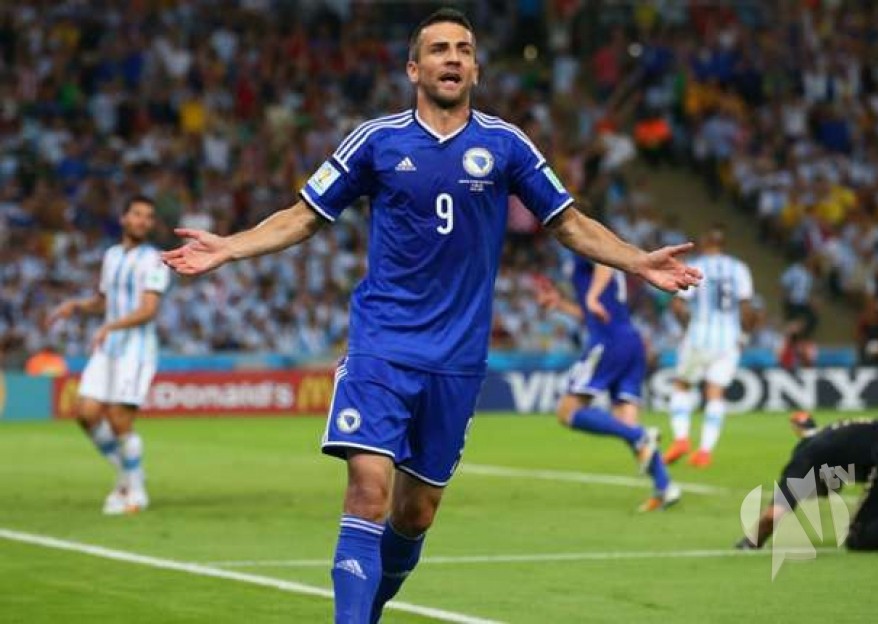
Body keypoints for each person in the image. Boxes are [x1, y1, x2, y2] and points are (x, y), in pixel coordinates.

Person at [161, 9, 701, 623]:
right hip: (383, 345)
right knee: (368, 489)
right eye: (440, 49)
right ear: (414, 69)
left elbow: (569, 223)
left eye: (463, 49)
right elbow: (305, 214)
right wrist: (230, 247)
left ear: (476, 69)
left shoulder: (505, 144)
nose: (453, 58)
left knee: (415, 514)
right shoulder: (376, 141)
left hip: (457, 360)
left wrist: (637, 261)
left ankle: (368, 610)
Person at [46, 196, 170, 514]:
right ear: (123, 218)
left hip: (136, 351)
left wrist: (110, 326)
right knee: (85, 412)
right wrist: (76, 305)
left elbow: (148, 310)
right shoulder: (112, 256)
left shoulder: (154, 261)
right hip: (109, 347)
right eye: (137, 214)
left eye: (148, 216)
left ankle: (135, 493)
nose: (143, 220)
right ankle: (128, 473)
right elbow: (104, 300)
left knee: (119, 419)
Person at [535, 255, 680, 512]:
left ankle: (640, 436)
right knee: (626, 420)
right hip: (629, 339)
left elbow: (604, 264)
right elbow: (592, 313)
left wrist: (592, 297)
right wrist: (562, 305)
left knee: (567, 412)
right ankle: (664, 486)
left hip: (608, 341)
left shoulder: (584, 243)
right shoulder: (600, 247)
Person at [737, 412, 878, 552]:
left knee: (860, 539)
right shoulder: (838, 441)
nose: (817, 496)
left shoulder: (804, 460)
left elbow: (772, 515)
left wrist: (751, 542)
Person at [663, 225, 754, 468]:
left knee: (682, 385)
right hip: (730, 339)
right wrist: (744, 337)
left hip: (699, 336)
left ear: (704, 243)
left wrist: (687, 328)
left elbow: (678, 306)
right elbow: (747, 309)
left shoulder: (697, 266)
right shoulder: (739, 268)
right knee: (715, 393)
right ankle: (705, 452)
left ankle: (681, 439)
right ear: (723, 244)